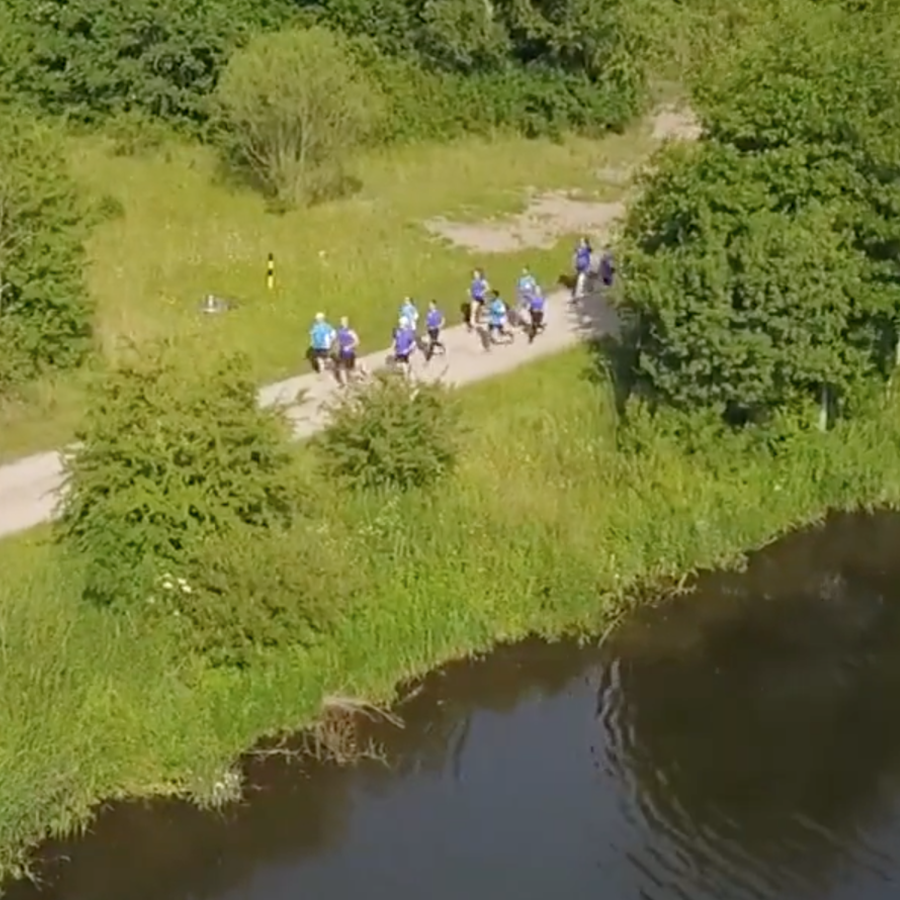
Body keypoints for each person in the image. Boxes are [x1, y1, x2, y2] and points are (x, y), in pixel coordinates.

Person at [334, 316, 359, 385]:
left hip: (349, 353)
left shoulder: (350, 331)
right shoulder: (339, 331)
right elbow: (338, 342)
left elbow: (357, 342)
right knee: (342, 369)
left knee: (350, 369)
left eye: (344, 322)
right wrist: (337, 350)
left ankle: (354, 381)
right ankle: (346, 383)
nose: (342, 323)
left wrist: (349, 346)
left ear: (347, 323)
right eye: (341, 322)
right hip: (342, 353)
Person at [573, 236, 593, 301]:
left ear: (585, 243)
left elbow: (582, 254)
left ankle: (578, 294)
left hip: (584, 268)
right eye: (580, 242)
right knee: (581, 280)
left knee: (581, 280)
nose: (581, 243)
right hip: (580, 267)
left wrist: (577, 250)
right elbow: (577, 257)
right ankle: (580, 292)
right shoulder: (581, 249)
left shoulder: (586, 249)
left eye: (582, 242)